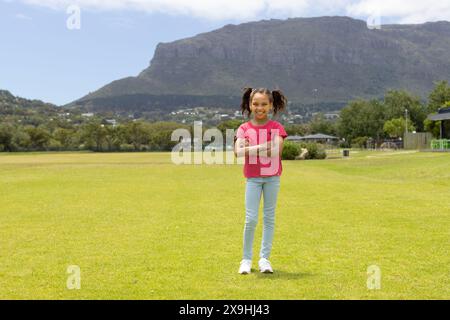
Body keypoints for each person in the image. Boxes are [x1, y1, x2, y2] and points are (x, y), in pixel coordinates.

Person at [233, 87, 288, 274]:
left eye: (264, 104)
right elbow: (238, 152)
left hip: (272, 178)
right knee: (250, 219)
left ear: (271, 105)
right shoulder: (243, 128)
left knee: (269, 218)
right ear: (250, 105)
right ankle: (246, 260)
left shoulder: (277, 128)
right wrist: (263, 145)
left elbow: (276, 151)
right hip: (253, 179)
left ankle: (264, 259)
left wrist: (251, 147)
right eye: (255, 104)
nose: (259, 107)